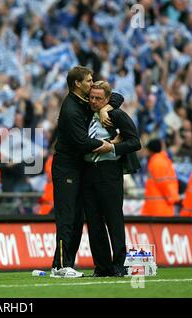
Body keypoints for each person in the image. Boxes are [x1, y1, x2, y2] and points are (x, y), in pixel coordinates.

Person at [51, 66, 124, 278]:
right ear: (77, 83)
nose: (92, 84)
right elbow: (82, 142)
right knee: (67, 217)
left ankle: (65, 264)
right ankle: (60, 265)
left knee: (76, 218)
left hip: (78, 169)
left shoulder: (84, 102)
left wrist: (104, 109)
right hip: (66, 168)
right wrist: (108, 143)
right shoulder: (71, 110)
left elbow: (116, 96)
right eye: (89, 81)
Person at [83, 81, 141, 277]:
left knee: (114, 219)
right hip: (88, 171)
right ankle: (102, 267)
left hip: (109, 170)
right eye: (91, 97)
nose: (93, 101)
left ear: (107, 100)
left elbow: (135, 142)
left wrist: (113, 148)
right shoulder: (85, 113)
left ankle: (119, 265)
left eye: (98, 99)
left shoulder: (115, 115)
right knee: (93, 221)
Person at [141, 139, 180, 217]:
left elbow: (163, 184)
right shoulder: (162, 160)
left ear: (150, 150)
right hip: (162, 207)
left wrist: (170, 199)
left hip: (159, 208)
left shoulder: (157, 162)